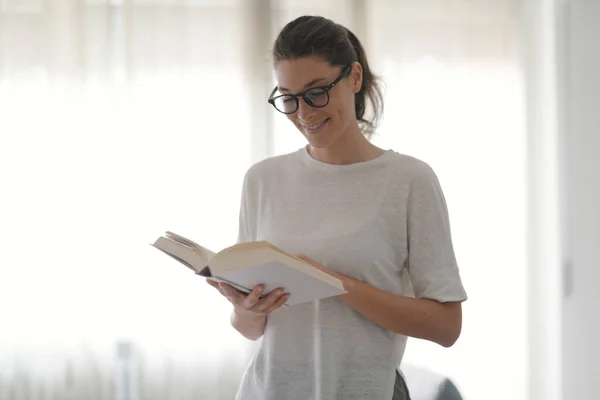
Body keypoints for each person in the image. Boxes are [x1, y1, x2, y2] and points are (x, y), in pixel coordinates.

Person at [206, 15, 468, 400]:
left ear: (355, 78)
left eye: (316, 92)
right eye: (289, 98)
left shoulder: (409, 180)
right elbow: (250, 329)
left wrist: (334, 283)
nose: (304, 113)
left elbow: (446, 327)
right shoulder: (263, 179)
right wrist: (248, 309)